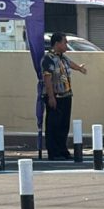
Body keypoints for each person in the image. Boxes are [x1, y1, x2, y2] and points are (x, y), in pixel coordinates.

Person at [41, 32, 87, 160]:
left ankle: (62, 150)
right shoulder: (48, 58)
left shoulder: (62, 57)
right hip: (55, 96)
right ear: (57, 43)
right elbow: (47, 79)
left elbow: (71, 63)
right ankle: (53, 152)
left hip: (66, 95)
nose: (66, 45)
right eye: (64, 42)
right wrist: (51, 97)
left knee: (63, 125)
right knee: (53, 125)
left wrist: (80, 68)